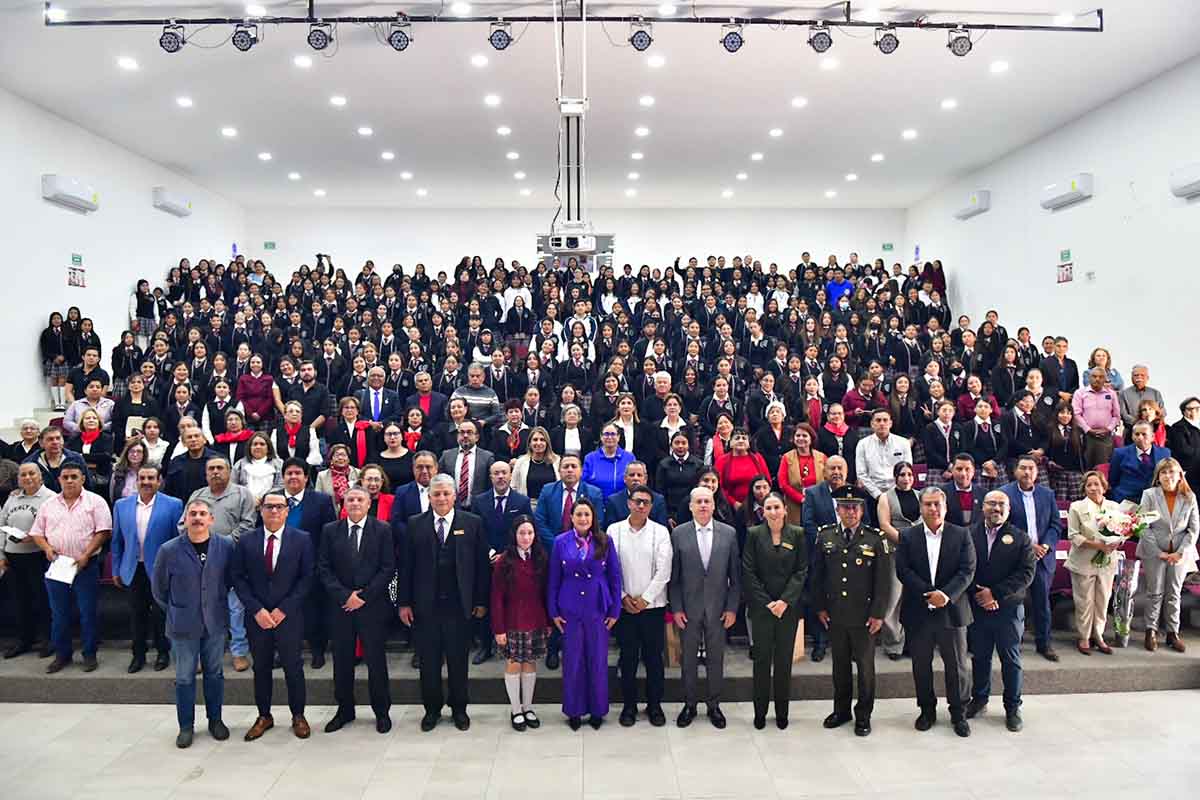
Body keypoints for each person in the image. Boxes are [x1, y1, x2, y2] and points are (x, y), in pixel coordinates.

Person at [397, 474, 490, 732]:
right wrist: (403, 602)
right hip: (424, 607)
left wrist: (481, 600)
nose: (441, 498)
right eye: (436, 494)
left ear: (455, 496)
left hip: (460, 607)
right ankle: (432, 710)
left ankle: (459, 709)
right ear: (429, 497)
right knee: (428, 663)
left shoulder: (472, 523)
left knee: (459, 662)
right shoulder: (414, 524)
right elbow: (405, 567)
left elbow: (482, 566)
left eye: (446, 494)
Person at [232, 489, 315, 741]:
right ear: (261, 510)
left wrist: (283, 609)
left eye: (280, 507)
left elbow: (307, 578)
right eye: (270, 506)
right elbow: (237, 577)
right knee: (262, 668)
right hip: (258, 617)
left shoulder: (302, 539)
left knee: (293, 667)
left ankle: (298, 715)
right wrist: (256, 609)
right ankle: (264, 715)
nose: (275, 511)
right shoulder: (246, 541)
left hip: (288, 616)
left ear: (287, 511)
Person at [151, 499, 235, 748]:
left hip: (215, 622)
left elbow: (230, 580)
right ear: (185, 519)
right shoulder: (169, 549)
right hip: (182, 624)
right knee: (185, 678)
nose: (197, 518)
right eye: (193, 514)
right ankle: (186, 726)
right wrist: (178, 609)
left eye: (202, 514)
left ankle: (215, 720)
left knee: (215, 673)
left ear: (211, 519)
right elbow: (159, 589)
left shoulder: (226, 546)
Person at [895, 486, 976, 738]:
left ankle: (958, 712)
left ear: (945, 507)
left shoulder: (961, 534)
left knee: (957, 665)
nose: (932, 508)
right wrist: (929, 594)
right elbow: (903, 571)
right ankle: (926, 710)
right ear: (920, 508)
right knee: (921, 665)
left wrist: (946, 595)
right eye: (927, 504)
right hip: (919, 611)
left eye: (937, 504)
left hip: (952, 611)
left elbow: (967, 570)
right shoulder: (908, 536)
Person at [318, 487, 395, 734]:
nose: (354, 503)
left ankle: (381, 712)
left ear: (368, 503)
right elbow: (324, 568)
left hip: (371, 606)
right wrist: (345, 596)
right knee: (341, 661)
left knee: (376, 661)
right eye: (349, 499)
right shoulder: (330, 531)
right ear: (343, 504)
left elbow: (388, 567)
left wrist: (363, 596)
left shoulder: (382, 529)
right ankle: (344, 710)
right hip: (340, 607)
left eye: (359, 499)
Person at [811, 495, 890, 736]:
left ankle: (863, 716)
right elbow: (817, 576)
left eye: (855, 508)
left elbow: (883, 581)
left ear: (861, 509)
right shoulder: (825, 536)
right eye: (845, 508)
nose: (850, 512)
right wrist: (820, 607)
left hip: (864, 616)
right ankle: (841, 710)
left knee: (865, 669)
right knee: (840, 667)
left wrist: (878, 614)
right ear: (838, 509)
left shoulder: (875, 538)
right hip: (835, 614)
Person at [28, 463, 113, 673]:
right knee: (59, 613)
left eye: (74, 476)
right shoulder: (49, 504)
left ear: (83, 478)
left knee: (87, 612)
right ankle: (62, 655)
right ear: (58, 480)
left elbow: (103, 531)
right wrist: (46, 548)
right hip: (57, 565)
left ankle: (89, 654)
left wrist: (85, 554)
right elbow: (37, 532)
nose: (69, 480)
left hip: (86, 565)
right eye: (65, 477)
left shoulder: (95, 502)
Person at [965, 491, 1037, 733]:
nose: (996, 508)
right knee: (980, 657)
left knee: (1011, 660)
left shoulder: (1021, 538)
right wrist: (981, 595)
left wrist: (994, 594)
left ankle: (1012, 707)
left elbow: (1026, 574)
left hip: (1008, 609)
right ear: (982, 506)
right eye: (991, 503)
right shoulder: (968, 534)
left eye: (1001, 504)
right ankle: (979, 699)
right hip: (978, 607)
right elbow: (964, 567)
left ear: (1009, 509)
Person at [547, 496, 621, 730]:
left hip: (597, 606)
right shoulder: (560, 542)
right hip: (569, 607)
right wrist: (553, 610)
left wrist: (615, 610)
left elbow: (615, 577)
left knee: (597, 660)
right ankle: (574, 711)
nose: (583, 518)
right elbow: (553, 579)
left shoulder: (605, 541)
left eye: (587, 514)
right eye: (578, 514)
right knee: (573, 661)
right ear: (571, 517)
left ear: (593, 518)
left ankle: (598, 710)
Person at [669, 486, 741, 729]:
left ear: (713, 505)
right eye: (698, 501)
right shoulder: (678, 534)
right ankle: (689, 705)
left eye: (706, 501)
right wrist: (676, 608)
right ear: (690, 506)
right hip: (688, 609)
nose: (702, 505)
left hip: (719, 608)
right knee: (688, 659)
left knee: (715, 658)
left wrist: (732, 608)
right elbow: (674, 577)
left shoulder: (729, 533)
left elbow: (735, 576)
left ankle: (714, 705)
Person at [184, 455, 258, 672]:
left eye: (220, 468)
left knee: (235, 608)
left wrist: (220, 543)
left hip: (233, 559)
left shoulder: (242, 494)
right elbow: (183, 523)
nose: (215, 472)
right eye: (211, 469)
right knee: (201, 608)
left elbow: (248, 524)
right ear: (206, 473)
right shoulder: (197, 495)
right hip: (200, 560)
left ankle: (239, 652)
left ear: (229, 471)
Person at [608, 484, 672, 728]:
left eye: (646, 502)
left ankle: (655, 705)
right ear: (628, 503)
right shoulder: (615, 531)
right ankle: (629, 706)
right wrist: (623, 596)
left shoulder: (661, 532)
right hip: (624, 608)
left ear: (651, 506)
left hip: (653, 607)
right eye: (637, 501)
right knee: (628, 659)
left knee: (654, 658)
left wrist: (645, 599)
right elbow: (611, 568)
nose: (641, 505)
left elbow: (664, 570)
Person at [743, 492, 808, 730]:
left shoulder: (798, 534)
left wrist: (784, 601)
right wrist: (768, 603)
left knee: (783, 663)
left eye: (776, 507)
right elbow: (748, 571)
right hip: (762, 610)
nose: (772, 511)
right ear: (762, 511)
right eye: (768, 507)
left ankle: (782, 713)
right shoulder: (753, 534)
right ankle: (760, 712)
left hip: (787, 610)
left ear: (784, 510)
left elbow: (801, 571)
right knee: (761, 662)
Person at [111, 465, 183, 673]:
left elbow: (178, 540)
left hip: (162, 569)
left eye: (151, 478)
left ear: (159, 481)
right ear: (136, 481)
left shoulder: (173, 505)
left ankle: (162, 652)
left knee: (161, 614)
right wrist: (116, 569)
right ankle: (138, 655)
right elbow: (117, 541)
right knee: (136, 614)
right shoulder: (121, 506)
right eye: (142, 478)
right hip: (133, 569)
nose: (146, 482)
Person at [999, 456, 1062, 662]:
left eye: (1031, 469)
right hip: (1016, 557)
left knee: (1042, 602)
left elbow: (1055, 525)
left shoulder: (1047, 494)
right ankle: (1009, 642)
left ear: (1037, 472)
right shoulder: (1005, 493)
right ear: (1015, 471)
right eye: (1023, 468)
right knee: (1012, 601)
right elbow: (1003, 525)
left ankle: (1044, 644)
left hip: (1042, 557)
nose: (1027, 472)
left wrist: (1045, 545)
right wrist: (1028, 545)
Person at [491, 515, 550, 731]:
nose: (526, 537)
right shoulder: (504, 561)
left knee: (530, 663)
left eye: (530, 533)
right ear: (514, 535)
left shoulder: (542, 557)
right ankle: (515, 709)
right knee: (514, 662)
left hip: (536, 619)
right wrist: (499, 628)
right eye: (522, 533)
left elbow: (546, 593)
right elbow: (496, 597)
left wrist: (549, 621)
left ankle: (528, 706)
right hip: (512, 621)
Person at [470, 460, 532, 664]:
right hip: (485, 561)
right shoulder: (479, 501)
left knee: (510, 602)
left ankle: (512, 645)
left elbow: (526, 531)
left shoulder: (521, 501)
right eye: (496, 473)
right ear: (490, 477)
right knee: (487, 602)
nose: (500, 477)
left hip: (512, 560)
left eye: (504, 472)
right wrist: (489, 552)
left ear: (510, 474)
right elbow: (475, 531)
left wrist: (506, 553)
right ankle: (485, 646)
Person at [279, 459, 338, 669]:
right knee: (283, 610)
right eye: (289, 473)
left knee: (313, 610)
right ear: (283, 476)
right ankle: (285, 651)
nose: (293, 477)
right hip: (280, 565)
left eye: (298, 473)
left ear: (306, 477)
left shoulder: (321, 501)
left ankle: (317, 650)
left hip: (310, 565)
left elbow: (329, 534)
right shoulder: (274, 499)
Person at [1136, 458, 1198, 653]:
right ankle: (1150, 630)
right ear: (1158, 476)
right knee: (1154, 592)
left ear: (1180, 475)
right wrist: (1159, 552)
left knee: (1174, 593)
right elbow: (1143, 526)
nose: (1167, 476)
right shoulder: (1149, 495)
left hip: (1180, 553)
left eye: (1171, 472)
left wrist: (1180, 552)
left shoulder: (1189, 497)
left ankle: (1172, 633)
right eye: (1163, 472)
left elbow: (1193, 529)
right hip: (1154, 551)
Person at [0, 463, 55, 658]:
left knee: (42, 600)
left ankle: (48, 639)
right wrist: (1, 555)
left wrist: (35, 537)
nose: (28, 477)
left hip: (37, 556)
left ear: (40, 476)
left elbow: (55, 527)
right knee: (20, 600)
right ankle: (24, 639)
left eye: (32, 473)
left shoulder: (50, 498)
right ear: (18, 478)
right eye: (23, 475)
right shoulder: (13, 498)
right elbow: (2, 524)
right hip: (13, 557)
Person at [1065, 470, 1122, 655]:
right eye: (1088, 485)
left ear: (1104, 486)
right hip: (1083, 561)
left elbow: (1123, 531)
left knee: (1103, 600)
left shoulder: (1114, 507)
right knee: (1084, 601)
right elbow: (1073, 535)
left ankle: (1099, 635)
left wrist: (1114, 542)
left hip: (1107, 561)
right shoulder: (1076, 507)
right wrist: (1097, 544)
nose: (1093, 488)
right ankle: (1083, 636)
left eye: (1096, 484)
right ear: (1084, 488)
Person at [876, 462, 920, 660]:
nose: (906, 478)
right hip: (895, 551)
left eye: (910, 474)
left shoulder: (921, 496)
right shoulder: (886, 497)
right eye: (902, 474)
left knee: (915, 599)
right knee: (894, 599)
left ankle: (912, 642)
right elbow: (884, 525)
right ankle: (893, 644)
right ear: (895, 477)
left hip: (919, 553)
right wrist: (905, 541)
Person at [855, 408, 913, 500]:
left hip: (899, 492)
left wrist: (894, 493)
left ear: (890, 424)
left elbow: (907, 471)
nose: (882, 423)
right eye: (878, 420)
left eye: (885, 420)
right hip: (872, 494)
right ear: (872, 424)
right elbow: (861, 474)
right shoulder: (862, 444)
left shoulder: (903, 443)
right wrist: (878, 495)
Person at [1108, 421, 1171, 503]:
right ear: (1132, 437)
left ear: (1152, 437)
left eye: (1144, 434)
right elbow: (1113, 479)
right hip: (1125, 499)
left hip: (1154, 500)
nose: (1140, 437)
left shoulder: (1164, 453)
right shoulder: (1119, 453)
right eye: (1137, 434)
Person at [439, 419, 496, 509]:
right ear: (457, 436)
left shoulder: (487, 457)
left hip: (478, 509)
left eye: (469, 432)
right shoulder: (446, 456)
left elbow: (491, 486)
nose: (465, 435)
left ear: (477, 437)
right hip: (451, 508)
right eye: (462, 432)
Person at [1072, 366, 1121, 469]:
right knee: (1087, 467)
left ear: (1105, 379)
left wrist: (1108, 429)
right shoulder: (1080, 393)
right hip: (1086, 436)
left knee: (1104, 468)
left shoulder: (1111, 394)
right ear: (1089, 378)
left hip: (1106, 437)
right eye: (1094, 376)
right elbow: (1076, 414)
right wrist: (1088, 430)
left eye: (1100, 377)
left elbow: (1116, 416)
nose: (1097, 379)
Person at [777, 423, 825, 525]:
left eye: (804, 435)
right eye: (798, 435)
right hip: (794, 505)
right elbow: (782, 483)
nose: (800, 438)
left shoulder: (822, 457)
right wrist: (802, 499)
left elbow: (827, 480)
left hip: (818, 503)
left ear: (811, 438)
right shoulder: (787, 457)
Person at [656, 430, 704, 526]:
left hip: (691, 511)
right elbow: (660, 491)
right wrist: (668, 516)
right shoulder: (663, 464)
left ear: (688, 445)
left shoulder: (698, 464)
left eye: (683, 443)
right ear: (671, 445)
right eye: (677, 443)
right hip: (671, 512)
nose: (680, 446)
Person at [604, 461, 668, 527]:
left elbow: (662, 529)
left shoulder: (658, 500)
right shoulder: (613, 501)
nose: (635, 478)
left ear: (645, 479)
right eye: (632, 475)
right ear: (625, 478)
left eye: (639, 475)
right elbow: (609, 530)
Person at [509, 427, 560, 508]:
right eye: (535, 440)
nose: (538, 443)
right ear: (529, 443)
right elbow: (513, 486)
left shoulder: (557, 461)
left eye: (542, 440)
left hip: (552, 505)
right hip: (528, 506)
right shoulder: (521, 462)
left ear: (547, 443)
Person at [1118, 365, 1165, 432]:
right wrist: (1139, 423)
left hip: (1154, 431)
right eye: (1136, 375)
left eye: (1142, 375)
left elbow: (1162, 411)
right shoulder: (1123, 394)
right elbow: (1123, 414)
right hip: (1131, 431)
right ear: (1132, 378)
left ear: (1147, 378)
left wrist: (1151, 423)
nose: (1139, 377)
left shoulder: (1156, 393)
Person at [1167, 397, 1200, 490]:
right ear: (1183, 411)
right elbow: (1184, 451)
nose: (1194, 412)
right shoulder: (1178, 428)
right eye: (1190, 409)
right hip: (1189, 473)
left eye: (1197, 409)